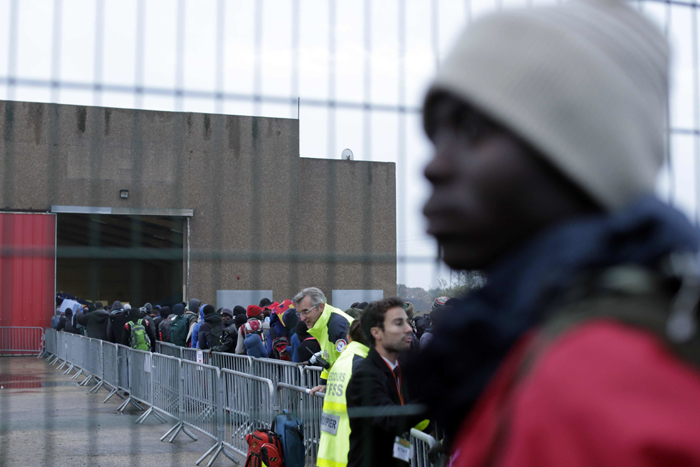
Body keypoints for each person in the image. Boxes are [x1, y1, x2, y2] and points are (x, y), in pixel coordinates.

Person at [405, 0, 700, 464]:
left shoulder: (589, 385)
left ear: (583, 153)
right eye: (435, 135)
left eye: (474, 129)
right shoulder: (558, 345)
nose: (434, 165)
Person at [346, 297, 425, 467]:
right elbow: (390, 419)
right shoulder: (365, 375)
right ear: (376, 332)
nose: (408, 329)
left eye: (407, 322)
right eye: (398, 323)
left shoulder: (401, 370)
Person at [317, 310, 370, 467]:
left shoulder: (341, 362)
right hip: (353, 455)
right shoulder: (363, 365)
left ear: (348, 337)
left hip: (331, 455)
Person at [294, 287, 353, 395]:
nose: (302, 318)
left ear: (321, 307)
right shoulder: (324, 323)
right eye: (299, 313)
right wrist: (323, 382)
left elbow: (353, 361)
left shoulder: (336, 325)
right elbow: (330, 358)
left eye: (305, 312)